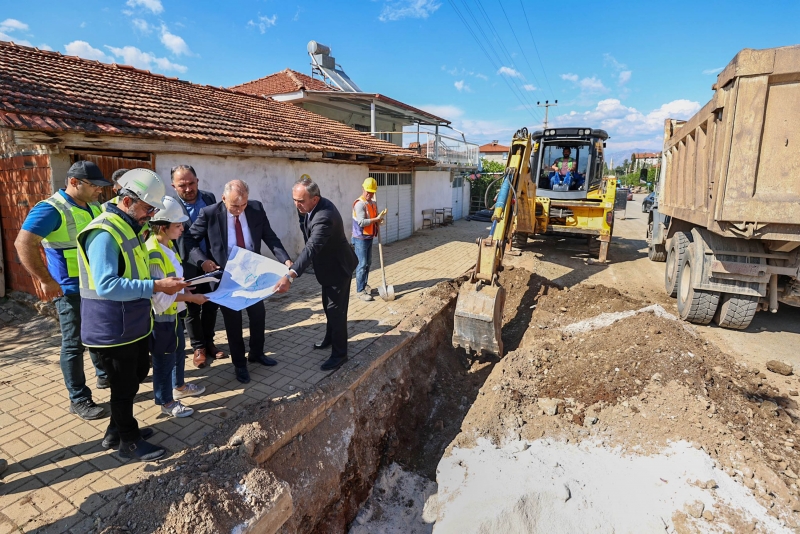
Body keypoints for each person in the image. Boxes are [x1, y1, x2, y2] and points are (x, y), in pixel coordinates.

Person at [78, 168, 187, 461]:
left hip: (131, 325)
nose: (150, 216)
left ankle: (116, 430)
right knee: (124, 387)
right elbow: (106, 284)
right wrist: (157, 285)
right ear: (127, 201)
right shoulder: (104, 232)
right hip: (111, 328)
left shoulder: (127, 226)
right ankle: (129, 441)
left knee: (137, 373)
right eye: (147, 208)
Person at [14, 161, 110, 421]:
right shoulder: (50, 209)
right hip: (69, 291)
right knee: (73, 344)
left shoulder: (91, 206)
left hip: (94, 286)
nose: (99, 191)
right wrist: (45, 279)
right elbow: (23, 243)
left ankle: (103, 377)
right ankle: (78, 399)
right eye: (94, 186)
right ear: (74, 182)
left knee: (97, 336)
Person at [186, 179, 292, 384]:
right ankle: (240, 365)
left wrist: (285, 260)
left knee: (258, 314)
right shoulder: (209, 213)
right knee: (233, 322)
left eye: (243, 205)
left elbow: (269, 236)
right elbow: (189, 239)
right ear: (224, 198)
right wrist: (203, 260)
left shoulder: (256, 208)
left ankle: (257, 353)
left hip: (252, 274)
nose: (239, 210)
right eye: (234, 206)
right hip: (227, 277)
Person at [274, 178, 358, 371]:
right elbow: (307, 233)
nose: (297, 205)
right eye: (294, 200)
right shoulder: (306, 207)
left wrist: (291, 274)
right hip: (326, 268)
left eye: (301, 201)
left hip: (338, 268)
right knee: (327, 307)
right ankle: (330, 338)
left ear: (315, 199)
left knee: (336, 312)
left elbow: (311, 246)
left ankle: (340, 354)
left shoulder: (325, 216)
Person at [146, 196, 208, 418]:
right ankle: (166, 402)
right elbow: (160, 299)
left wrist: (186, 292)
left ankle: (179, 386)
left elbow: (172, 286)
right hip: (162, 318)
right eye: (178, 225)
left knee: (178, 351)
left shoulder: (167, 245)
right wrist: (190, 299)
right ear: (162, 227)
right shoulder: (154, 252)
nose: (182, 228)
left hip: (173, 316)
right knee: (164, 359)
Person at [170, 165, 225, 368]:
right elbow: (181, 240)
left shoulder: (209, 198)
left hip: (212, 264)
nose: (188, 188)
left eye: (191, 183)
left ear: (197, 181)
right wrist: (201, 261)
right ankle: (198, 347)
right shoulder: (169, 206)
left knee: (211, 305)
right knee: (192, 309)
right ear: (173, 186)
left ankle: (210, 342)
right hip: (187, 266)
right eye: (182, 185)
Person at [352, 177, 386, 302]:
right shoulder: (359, 204)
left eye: (371, 192)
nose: (369, 194)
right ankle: (360, 291)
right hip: (360, 238)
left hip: (369, 236)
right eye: (367, 191)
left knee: (368, 263)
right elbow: (361, 222)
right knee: (361, 265)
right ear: (363, 189)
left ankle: (365, 285)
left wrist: (379, 220)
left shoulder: (373, 203)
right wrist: (375, 220)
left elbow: (373, 219)